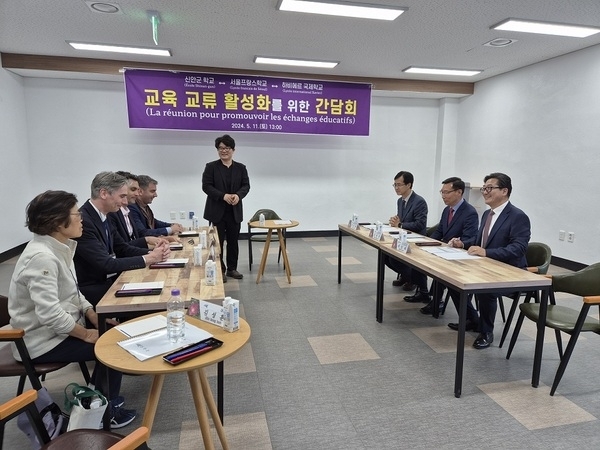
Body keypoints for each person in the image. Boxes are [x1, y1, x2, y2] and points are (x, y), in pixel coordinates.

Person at [8, 190, 136, 428]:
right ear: (57, 222)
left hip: (56, 332)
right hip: (40, 342)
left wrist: (90, 313)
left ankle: (96, 402)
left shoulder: (60, 247)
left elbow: (74, 293)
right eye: (76, 214)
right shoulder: (42, 257)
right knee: (113, 348)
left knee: (114, 337)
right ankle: (102, 414)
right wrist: (87, 333)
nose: (81, 219)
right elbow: (50, 314)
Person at [447, 172, 530, 349]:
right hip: (485, 266)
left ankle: (486, 332)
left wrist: (487, 253)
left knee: (485, 289)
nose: (484, 191)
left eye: (489, 188)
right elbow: (479, 242)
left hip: (510, 272)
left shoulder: (517, 216)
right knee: (451, 279)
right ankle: (472, 319)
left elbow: (518, 249)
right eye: (484, 188)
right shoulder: (487, 214)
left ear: (505, 191)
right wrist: (462, 243)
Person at [74, 171, 171, 305]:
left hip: (111, 280)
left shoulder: (104, 215)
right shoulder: (84, 221)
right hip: (96, 289)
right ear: (103, 193)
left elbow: (122, 248)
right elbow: (105, 264)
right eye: (122, 196)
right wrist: (150, 258)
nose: (125, 202)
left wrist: (153, 253)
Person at [419, 177, 479, 314]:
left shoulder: (469, 212)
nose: (443, 196)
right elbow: (440, 231)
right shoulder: (447, 210)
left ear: (459, 192)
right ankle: (434, 300)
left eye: (447, 192)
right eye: (442, 192)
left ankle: (437, 302)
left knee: (442, 272)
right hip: (445, 252)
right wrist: (427, 243)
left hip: (460, 257)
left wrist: (461, 243)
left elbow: (471, 238)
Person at [202, 134, 250, 281]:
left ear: (233, 150)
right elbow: (206, 186)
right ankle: (219, 269)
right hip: (217, 211)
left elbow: (246, 186)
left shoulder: (241, 168)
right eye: (221, 148)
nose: (224, 151)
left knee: (233, 241)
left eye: (227, 148)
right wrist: (223, 196)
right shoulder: (211, 167)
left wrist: (238, 195)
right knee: (217, 243)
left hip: (234, 211)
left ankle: (232, 269)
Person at [384, 171, 428, 301]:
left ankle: (414, 281)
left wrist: (401, 225)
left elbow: (420, 224)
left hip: (416, 238)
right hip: (403, 237)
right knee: (386, 256)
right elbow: (402, 220)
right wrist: (395, 221)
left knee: (394, 259)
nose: (396, 188)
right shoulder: (400, 201)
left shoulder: (419, 201)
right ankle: (406, 276)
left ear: (409, 185)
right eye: (395, 185)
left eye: (399, 185)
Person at [108, 171, 169, 249]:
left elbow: (133, 242)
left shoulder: (128, 211)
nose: (137, 194)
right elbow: (122, 248)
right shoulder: (113, 213)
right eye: (133, 190)